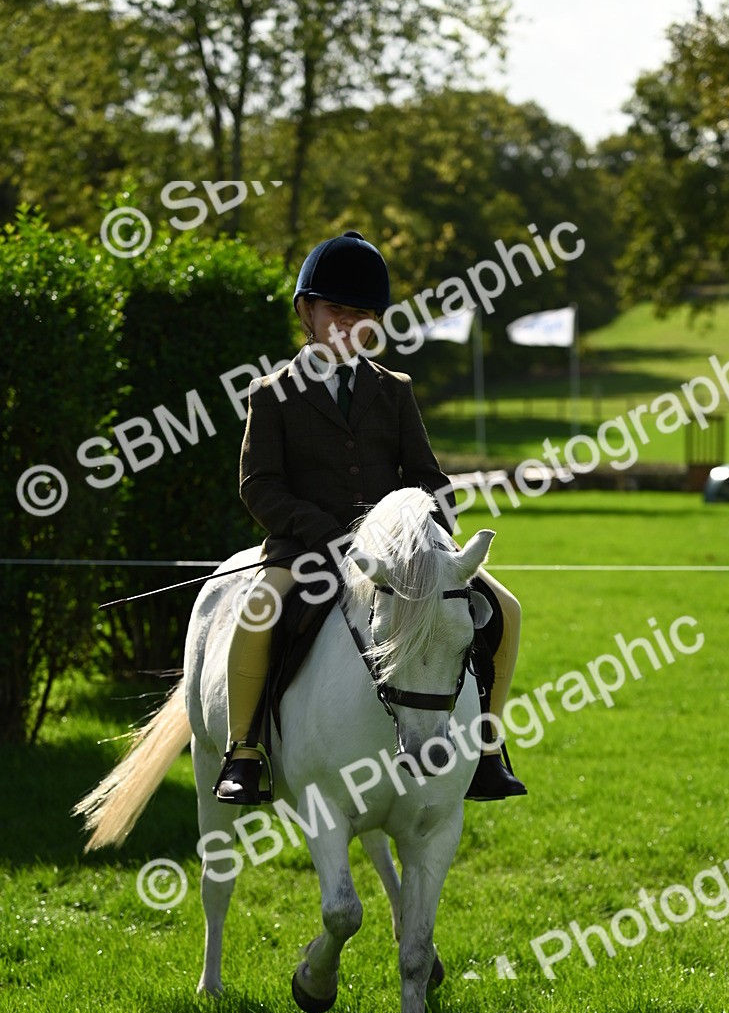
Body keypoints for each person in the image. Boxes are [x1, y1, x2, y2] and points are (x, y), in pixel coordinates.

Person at [215, 229, 526, 805]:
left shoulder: (394, 390)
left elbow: (429, 477)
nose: (349, 324)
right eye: (337, 310)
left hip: (400, 558)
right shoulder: (270, 393)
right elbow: (259, 486)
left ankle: (485, 747)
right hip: (307, 551)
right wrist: (329, 534)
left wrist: (429, 532)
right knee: (257, 612)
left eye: (362, 314)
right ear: (307, 311)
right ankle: (245, 750)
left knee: (504, 607)